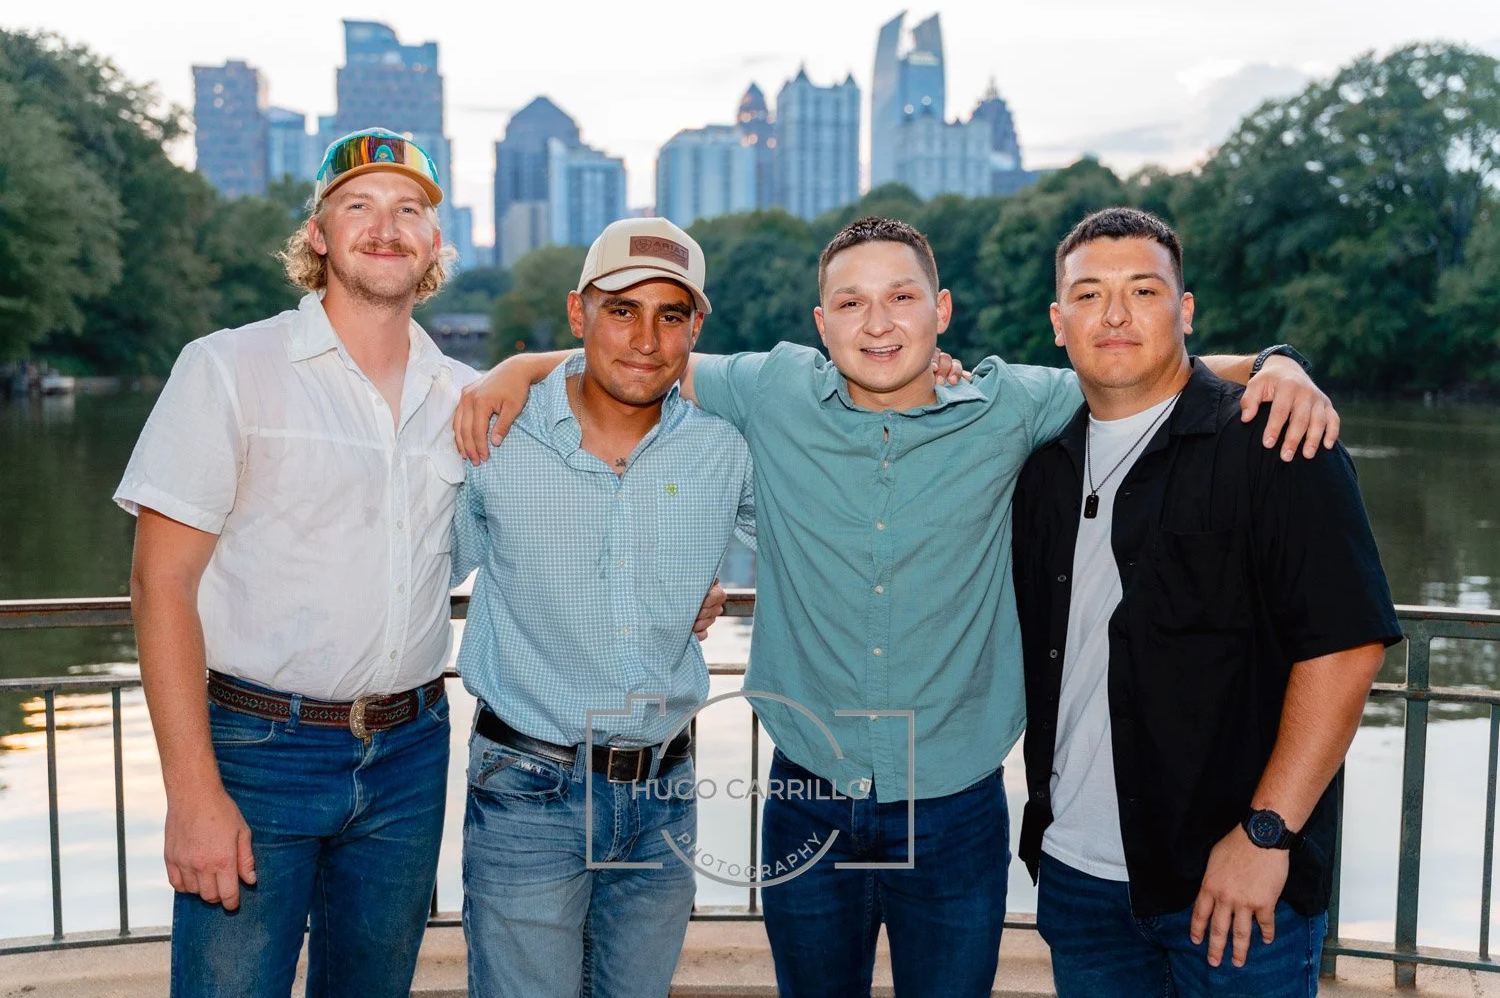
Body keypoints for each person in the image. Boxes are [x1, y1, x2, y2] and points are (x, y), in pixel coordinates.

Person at [453, 216, 1341, 998]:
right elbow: (638, 357)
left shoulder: (1010, 406)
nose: (877, 323)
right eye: (850, 303)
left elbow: (1153, 371)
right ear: (820, 323)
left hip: (953, 808)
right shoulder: (770, 390)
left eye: (901, 298)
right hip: (806, 795)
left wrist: (1276, 365)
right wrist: (517, 368)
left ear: (941, 311)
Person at [1011, 207, 1401, 998]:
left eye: (1143, 290)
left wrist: (1267, 833)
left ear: (1184, 311)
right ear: (1058, 323)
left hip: (1232, 885)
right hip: (1079, 881)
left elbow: (1346, 644)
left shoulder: (1276, 442)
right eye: (1088, 296)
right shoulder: (1044, 469)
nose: (1114, 314)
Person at [114, 128, 468, 997]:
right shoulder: (230, 368)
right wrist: (193, 793)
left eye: (408, 210)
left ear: (433, 242)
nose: (385, 228)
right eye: (358, 207)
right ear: (317, 234)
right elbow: (158, 584)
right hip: (255, 750)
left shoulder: (466, 395)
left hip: (410, 755)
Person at [453, 216, 755, 998]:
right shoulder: (494, 433)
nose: (646, 339)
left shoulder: (727, 447)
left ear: (695, 329)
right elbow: (400, 573)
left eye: (672, 315)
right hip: (527, 787)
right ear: (578, 314)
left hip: (665, 797)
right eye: (621, 310)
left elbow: (828, 538)